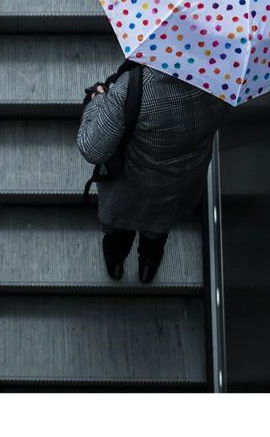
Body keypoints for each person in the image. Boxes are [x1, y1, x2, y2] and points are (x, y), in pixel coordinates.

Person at [77, 65, 231, 283]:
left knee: (119, 231)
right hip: (182, 183)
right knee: (157, 232)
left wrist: (98, 100)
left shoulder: (135, 86)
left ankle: (116, 261)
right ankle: (148, 266)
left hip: (131, 185)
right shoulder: (227, 78)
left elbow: (92, 148)